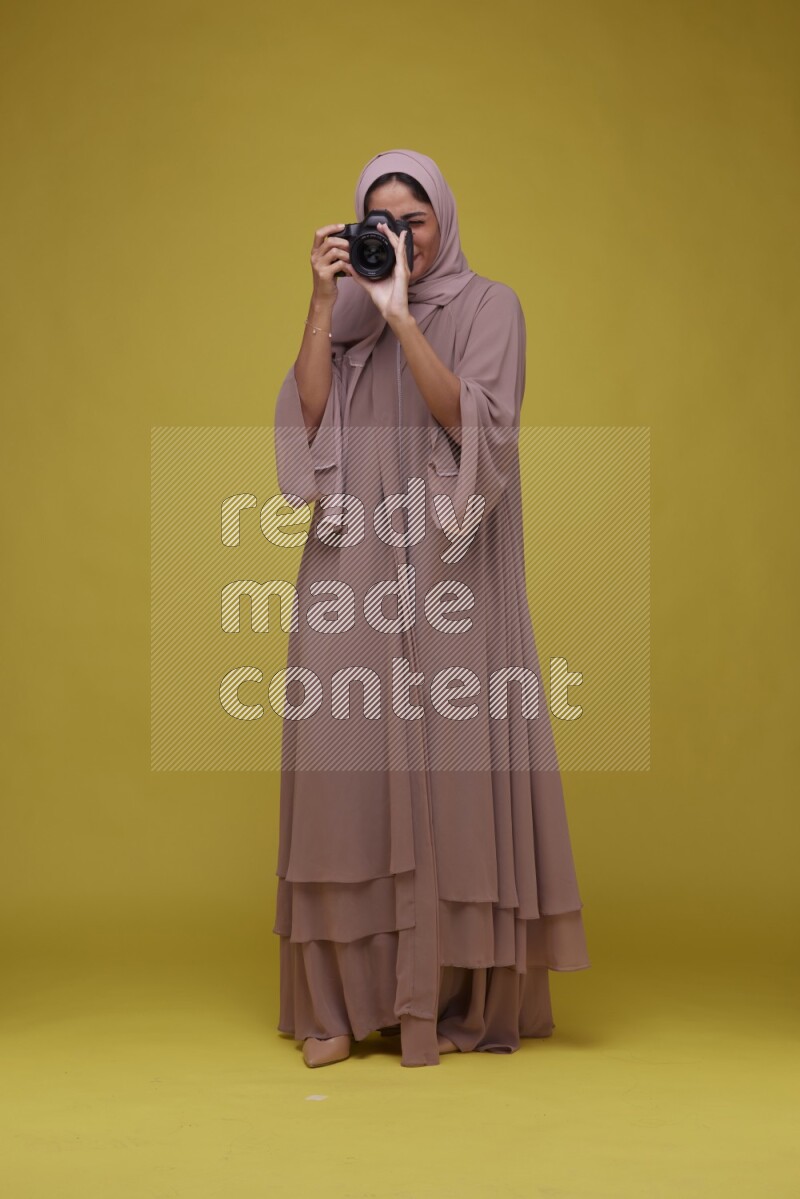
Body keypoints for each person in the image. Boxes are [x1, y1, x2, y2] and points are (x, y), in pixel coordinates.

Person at [272, 148, 590, 1069]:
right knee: (345, 765)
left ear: (442, 219)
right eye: (382, 222)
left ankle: (448, 998)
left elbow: (475, 423)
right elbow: (308, 410)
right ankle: (339, 1003)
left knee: (456, 767)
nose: (400, 236)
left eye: (415, 218)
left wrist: (406, 320)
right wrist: (326, 302)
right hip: (353, 559)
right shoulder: (348, 312)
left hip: (455, 562)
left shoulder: (491, 307)